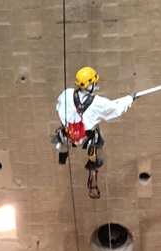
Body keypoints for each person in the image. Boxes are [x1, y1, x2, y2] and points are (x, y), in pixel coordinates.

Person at [53, 68, 135, 197]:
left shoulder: (66, 94)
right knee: (98, 139)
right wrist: (129, 99)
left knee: (63, 136)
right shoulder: (97, 103)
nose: (95, 85)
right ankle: (93, 163)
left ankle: (63, 155)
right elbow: (115, 109)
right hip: (85, 136)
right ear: (89, 85)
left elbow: (58, 107)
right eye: (94, 83)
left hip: (68, 133)